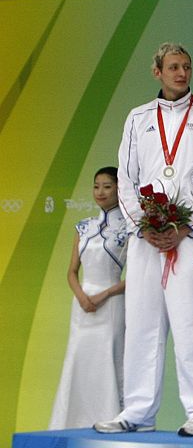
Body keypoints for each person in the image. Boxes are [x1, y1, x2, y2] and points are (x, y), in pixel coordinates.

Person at [94, 42, 193, 436]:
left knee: (192, 324)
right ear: (157, 72)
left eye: (186, 67)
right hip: (145, 238)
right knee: (142, 325)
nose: (182, 73)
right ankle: (137, 410)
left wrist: (186, 226)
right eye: (173, 67)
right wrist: (144, 223)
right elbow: (126, 176)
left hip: (188, 236)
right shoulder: (138, 118)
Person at [50, 167, 127, 429]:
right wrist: (82, 297)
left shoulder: (129, 228)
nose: (100, 192)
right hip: (82, 306)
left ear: (120, 188)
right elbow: (71, 272)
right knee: (78, 359)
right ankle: (68, 423)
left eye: (107, 186)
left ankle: (110, 422)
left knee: (109, 359)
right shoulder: (83, 226)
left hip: (112, 304)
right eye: (96, 186)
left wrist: (104, 294)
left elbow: (137, 277)